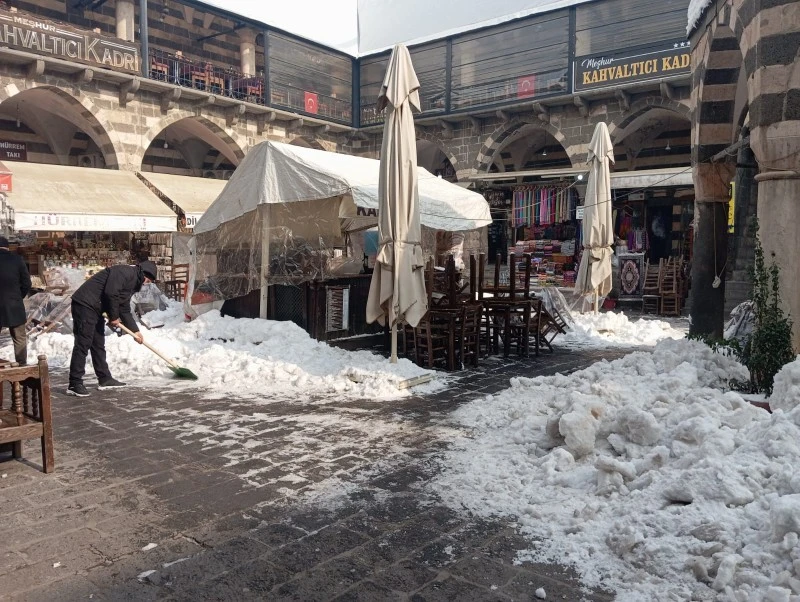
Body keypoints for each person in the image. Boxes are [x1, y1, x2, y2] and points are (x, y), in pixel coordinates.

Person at [66, 260, 157, 397]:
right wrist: (114, 317)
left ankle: (104, 378)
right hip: (85, 304)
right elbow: (111, 293)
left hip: (96, 308)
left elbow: (124, 308)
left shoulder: (133, 283)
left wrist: (135, 331)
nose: (146, 284)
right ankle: (74, 383)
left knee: (98, 344)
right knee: (83, 343)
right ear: (143, 274)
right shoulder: (124, 272)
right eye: (147, 281)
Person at [0, 236, 31, 365]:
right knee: (19, 338)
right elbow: (27, 283)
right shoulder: (17, 260)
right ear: (8, 247)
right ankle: (22, 365)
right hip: (14, 304)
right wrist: (18, 296)